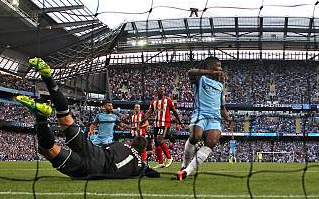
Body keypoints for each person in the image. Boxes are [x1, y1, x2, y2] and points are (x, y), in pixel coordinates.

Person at [16, 58, 158, 179]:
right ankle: (41, 118)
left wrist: (90, 134)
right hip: (94, 170)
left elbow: (115, 128)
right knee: (48, 150)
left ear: (132, 143)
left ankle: (47, 77)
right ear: (142, 149)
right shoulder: (141, 167)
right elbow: (154, 174)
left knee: (65, 117)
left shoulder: (120, 144)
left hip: (96, 150)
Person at [177, 56, 232, 180]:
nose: (221, 69)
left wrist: (228, 119)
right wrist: (210, 73)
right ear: (210, 67)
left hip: (214, 119)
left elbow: (222, 107)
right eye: (218, 67)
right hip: (200, 115)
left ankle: (186, 172)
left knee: (212, 142)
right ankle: (184, 165)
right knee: (195, 137)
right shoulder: (200, 79)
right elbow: (190, 72)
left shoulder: (220, 85)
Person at [143, 86, 183, 168]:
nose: (161, 91)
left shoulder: (168, 100)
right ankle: (160, 162)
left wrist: (179, 122)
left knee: (159, 139)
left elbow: (174, 111)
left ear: (164, 92)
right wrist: (143, 119)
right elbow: (149, 112)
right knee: (157, 144)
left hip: (165, 124)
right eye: (160, 90)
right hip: (156, 124)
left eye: (163, 90)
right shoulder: (154, 102)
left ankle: (169, 157)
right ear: (157, 91)